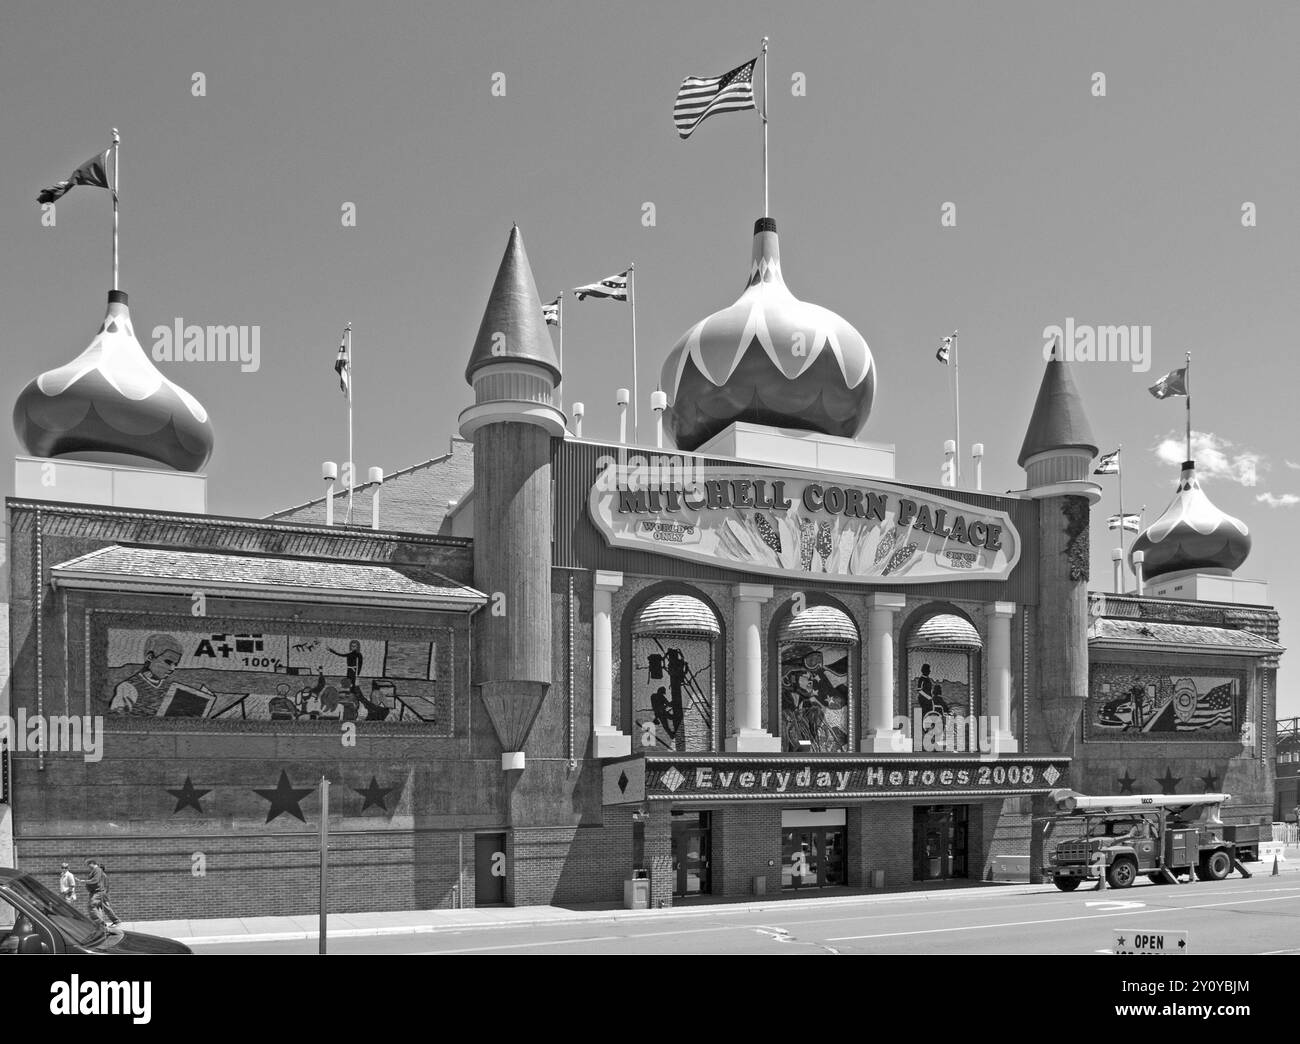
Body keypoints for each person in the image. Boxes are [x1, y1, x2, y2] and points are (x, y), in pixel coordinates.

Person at [110, 634, 184, 716]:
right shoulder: (128, 687)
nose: (172, 669)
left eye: (175, 664)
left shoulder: (170, 687)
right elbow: (117, 721)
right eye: (168, 662)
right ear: (150, 657)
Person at [80, 859, 121, 930]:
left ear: (92, 863)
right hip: (97, 893)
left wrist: (85, 881)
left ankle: (101, 924)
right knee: (105, 908)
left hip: (98, 893)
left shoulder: (99, 872)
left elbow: (104, 885)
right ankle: (114, 921)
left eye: (88, 864)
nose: (87, 867)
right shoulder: (97, 872)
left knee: (92, 906)